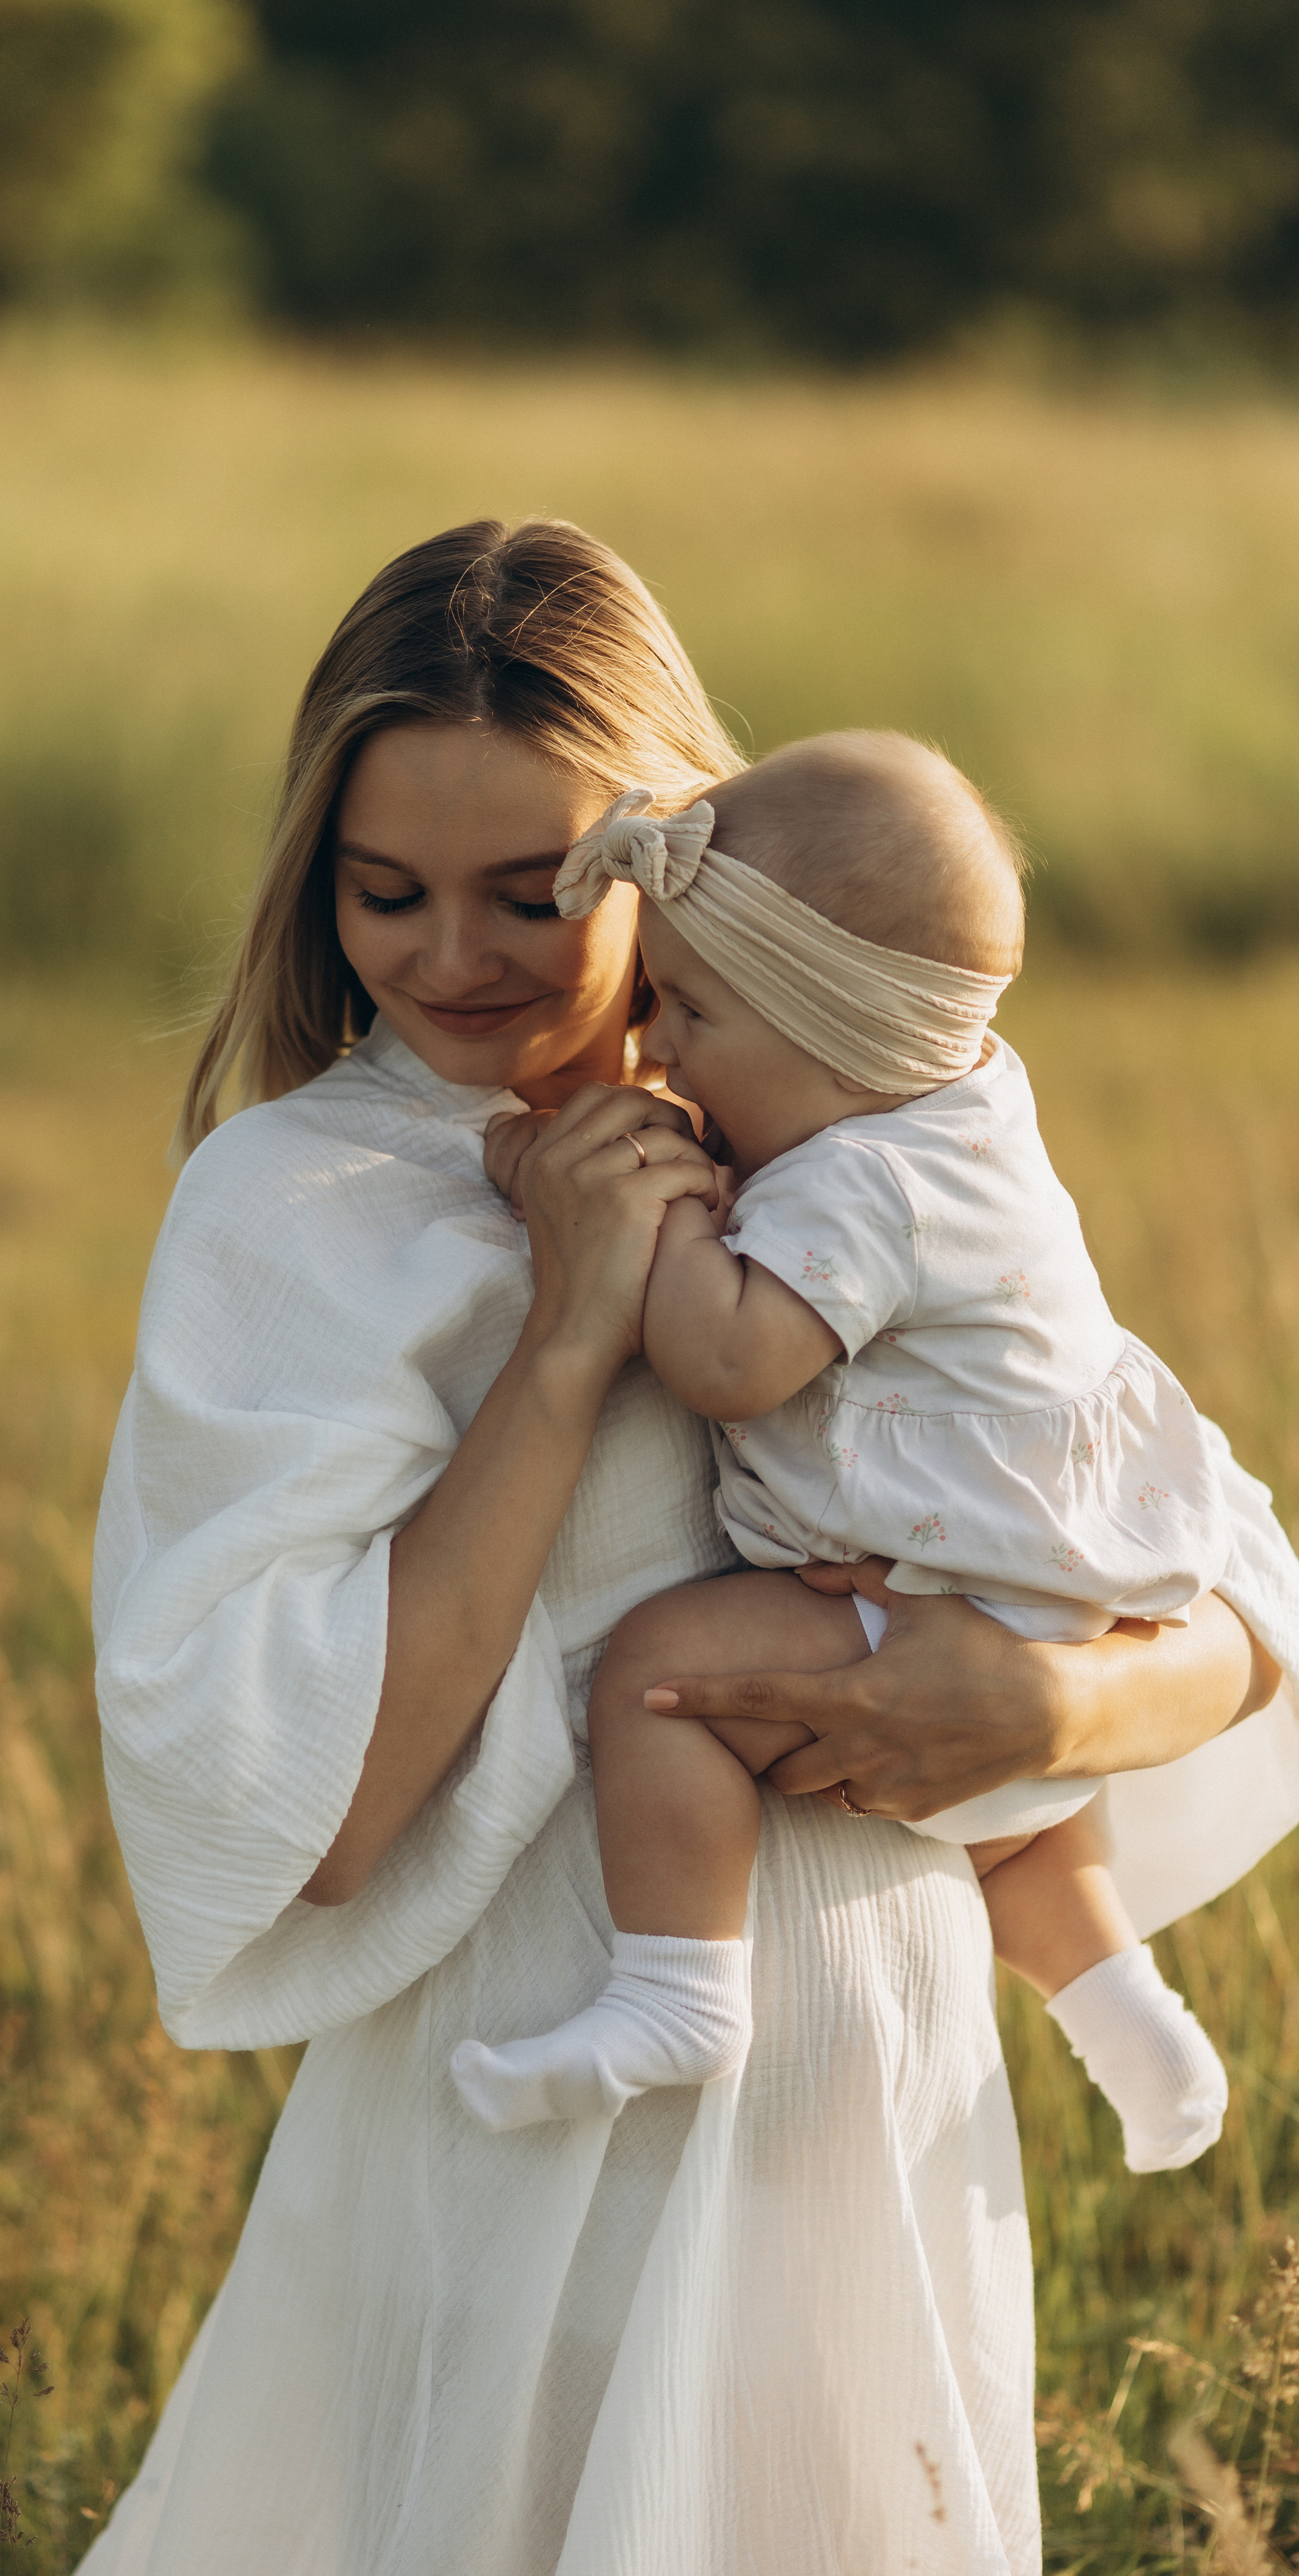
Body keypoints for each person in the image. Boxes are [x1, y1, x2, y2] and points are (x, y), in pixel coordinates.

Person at [81, 519, 1298, 2576]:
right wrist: (569, 1337)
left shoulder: (845, 1148)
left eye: (532, 892)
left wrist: (1050, 1703)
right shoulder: (290, 1214)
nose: (454, 959)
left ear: (675, 860)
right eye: (385, 893)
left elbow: (1230, 1572)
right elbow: (320, 1808)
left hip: (867, 2091)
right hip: (533, 2102)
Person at [450, 734, 1234, 2174]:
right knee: (1017, 1835)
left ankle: (676, 1988)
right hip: (1051, 1586)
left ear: (835, 1039)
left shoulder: (860, 1185)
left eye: (690, 1011)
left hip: (944, 1594)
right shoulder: (969, 1110)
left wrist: (655, 1204)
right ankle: (1121, 2004)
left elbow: (727, 1362)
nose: (658, 1048)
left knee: (658, 1676)